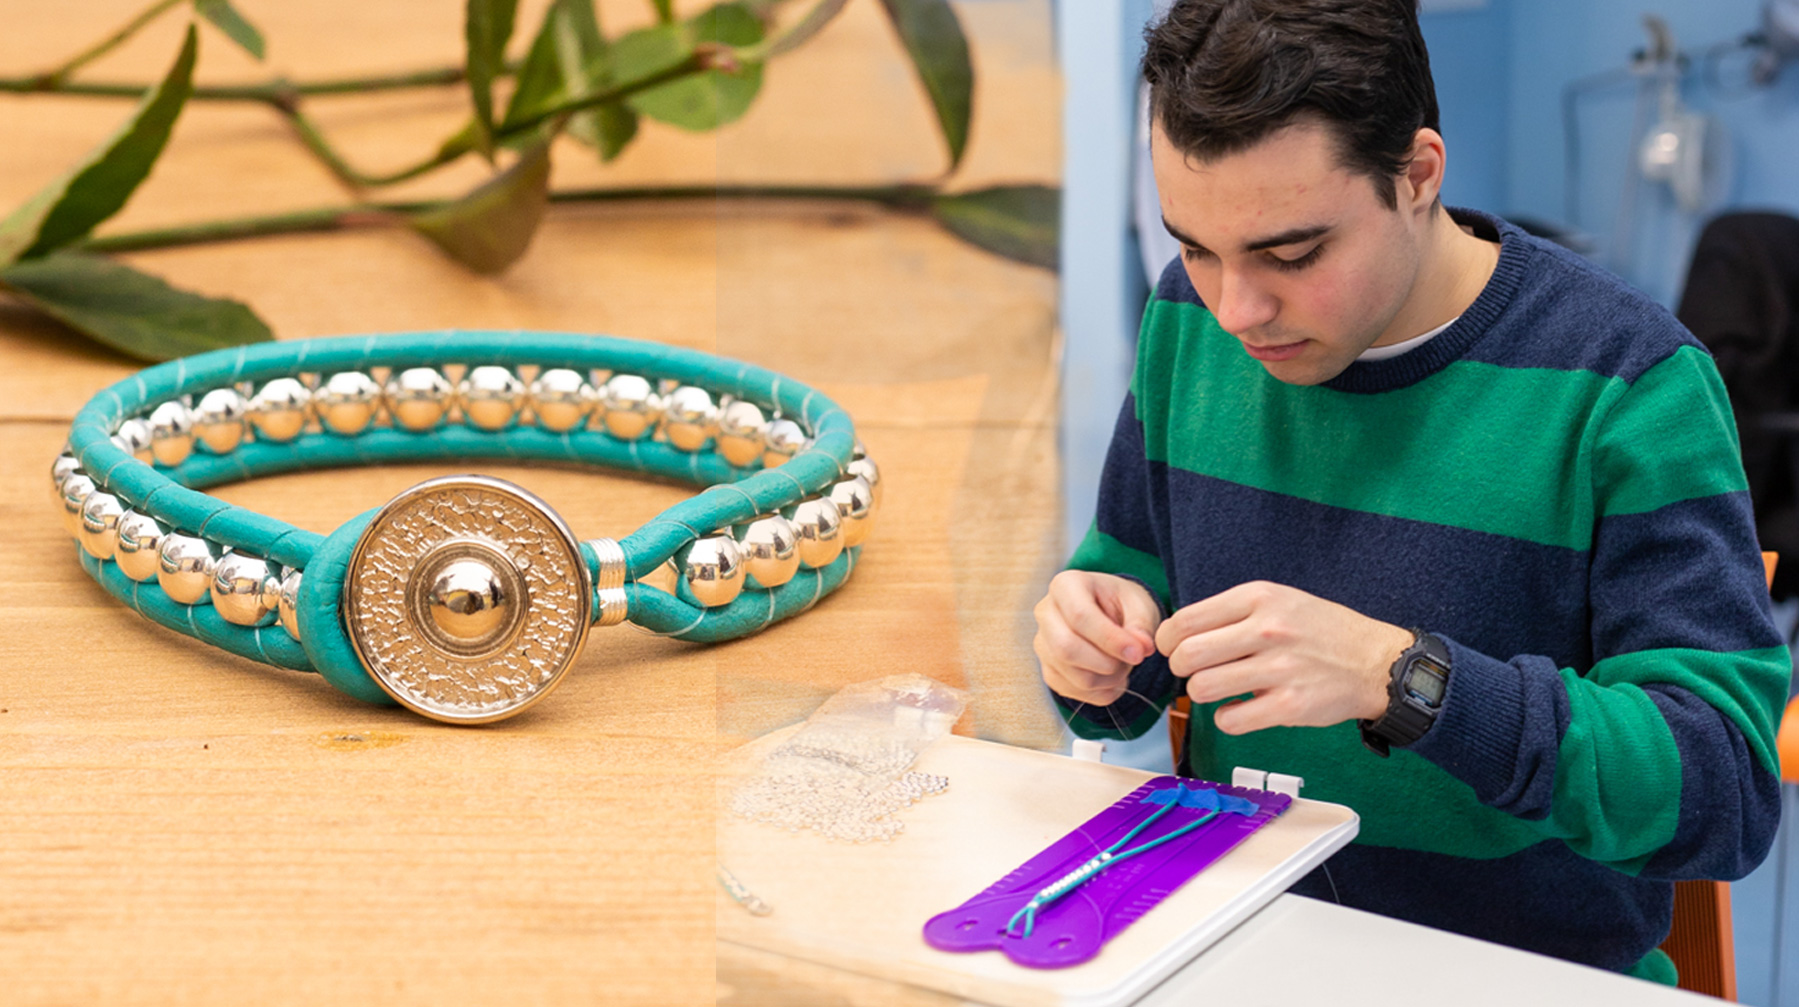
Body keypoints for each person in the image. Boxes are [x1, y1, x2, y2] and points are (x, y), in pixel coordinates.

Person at [1034, 0, 1791, 984]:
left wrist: (1408, 680)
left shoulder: (1626, 383)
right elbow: (1125, 656)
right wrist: (1089, 646)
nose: (1234, 307)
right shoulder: (1188, 325)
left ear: (1417, 175)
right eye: (1194, 244)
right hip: (1235, 952)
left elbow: (1721, 791)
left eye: (1292, 254)